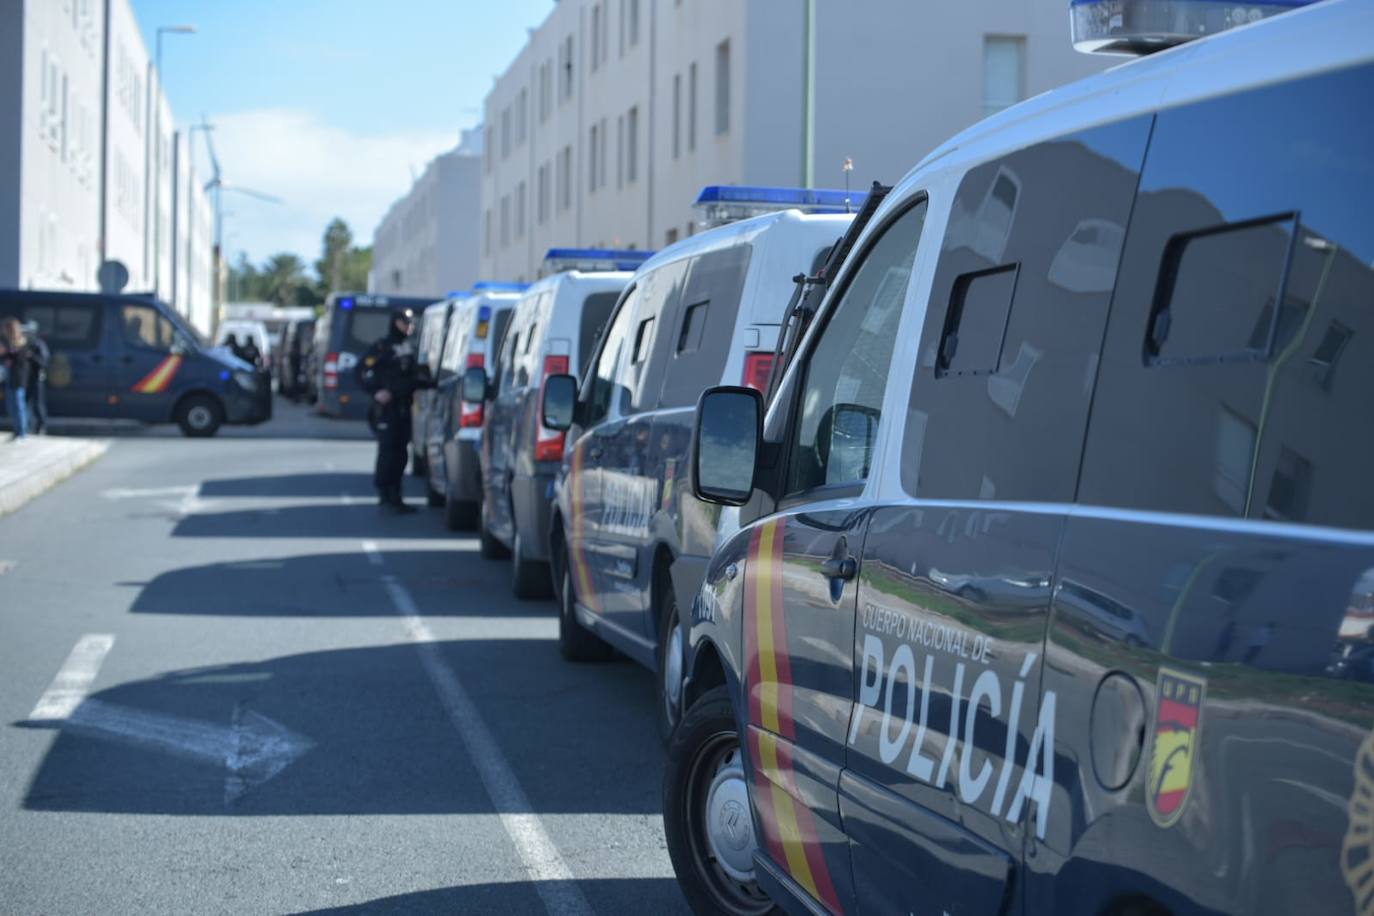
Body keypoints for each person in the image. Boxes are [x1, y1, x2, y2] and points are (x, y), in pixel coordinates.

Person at [355, 308, 431, 514]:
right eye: (405, 322)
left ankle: (397, 494)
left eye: (411, 323)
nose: (409, 326)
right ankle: (384, 491)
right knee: (387, 451)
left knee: (401, 453)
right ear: (396, 322)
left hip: (405, 406)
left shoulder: (410, 348)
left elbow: (417, 377)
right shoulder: (382, 347)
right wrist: (376, 391)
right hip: (387, 409)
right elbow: (361, 370)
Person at [1, 317, 31, 439]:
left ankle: (22, 432)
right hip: (8, 378)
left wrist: (8, 354)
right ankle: (17, 430)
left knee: (19, 405)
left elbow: (20, 361)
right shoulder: (7, 343)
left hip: (18, 378)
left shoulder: (22, 342)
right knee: (11, 405)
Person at [23, 322, 48, 435]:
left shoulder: (39, 345)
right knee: (24, 403)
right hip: (26, 379)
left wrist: (31, 356)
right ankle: (26, 426)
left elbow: (43, 362)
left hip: (37, 379)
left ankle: (41, 426)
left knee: (37, 404)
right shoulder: (25, 344)